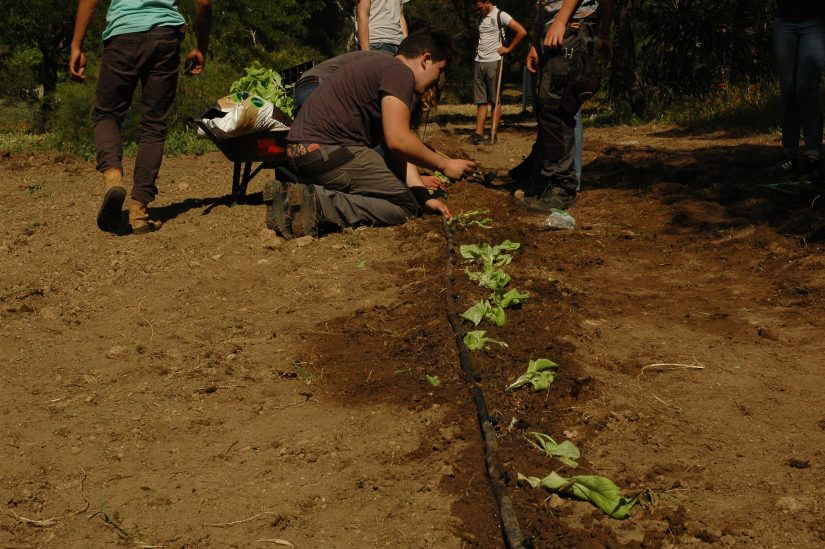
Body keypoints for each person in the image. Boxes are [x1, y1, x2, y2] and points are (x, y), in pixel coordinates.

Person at [273, 30, 475, 240]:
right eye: (439, 70)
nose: (436, 81)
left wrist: (423, 196)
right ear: (426, 59)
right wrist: (445, 165)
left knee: (400, 194)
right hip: (329, 151)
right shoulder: (400, 72)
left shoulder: (382, 67)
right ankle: (319, 204)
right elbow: (399, 141)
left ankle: (300, 197)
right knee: (406, 206)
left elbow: (395, 148)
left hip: (302, 157)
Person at [69, 0, 212, 234]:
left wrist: (76, 45)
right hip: (166, 37)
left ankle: (113, 177)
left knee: (108, 114)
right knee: (154, 125)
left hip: (122, 34)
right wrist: (201, 47)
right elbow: (204, 2)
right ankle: (139, 210)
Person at [509, 0, 611, 212]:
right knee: (547, 107)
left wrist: (562, 20)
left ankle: (563, 187)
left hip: (571, 24)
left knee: (557, 107)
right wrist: (536, 42)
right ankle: (549, 181)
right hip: (557, 25)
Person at [772, 1, 825, 183]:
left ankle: (813, 155)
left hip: (815, 21)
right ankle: (790, 155)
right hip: (784, 21)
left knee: (808, 89)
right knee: (788, 90)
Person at [470, 0, 526, 145]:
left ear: (487, 2)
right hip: (479, 61)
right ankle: (478, 133)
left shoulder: (500, 15)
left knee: (495, 99)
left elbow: (522, 31)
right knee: (481, 100)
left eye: (479, 5)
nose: (477, 8)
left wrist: (508, 49)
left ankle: (493, 134)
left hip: (494, 61)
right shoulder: (481, 17)